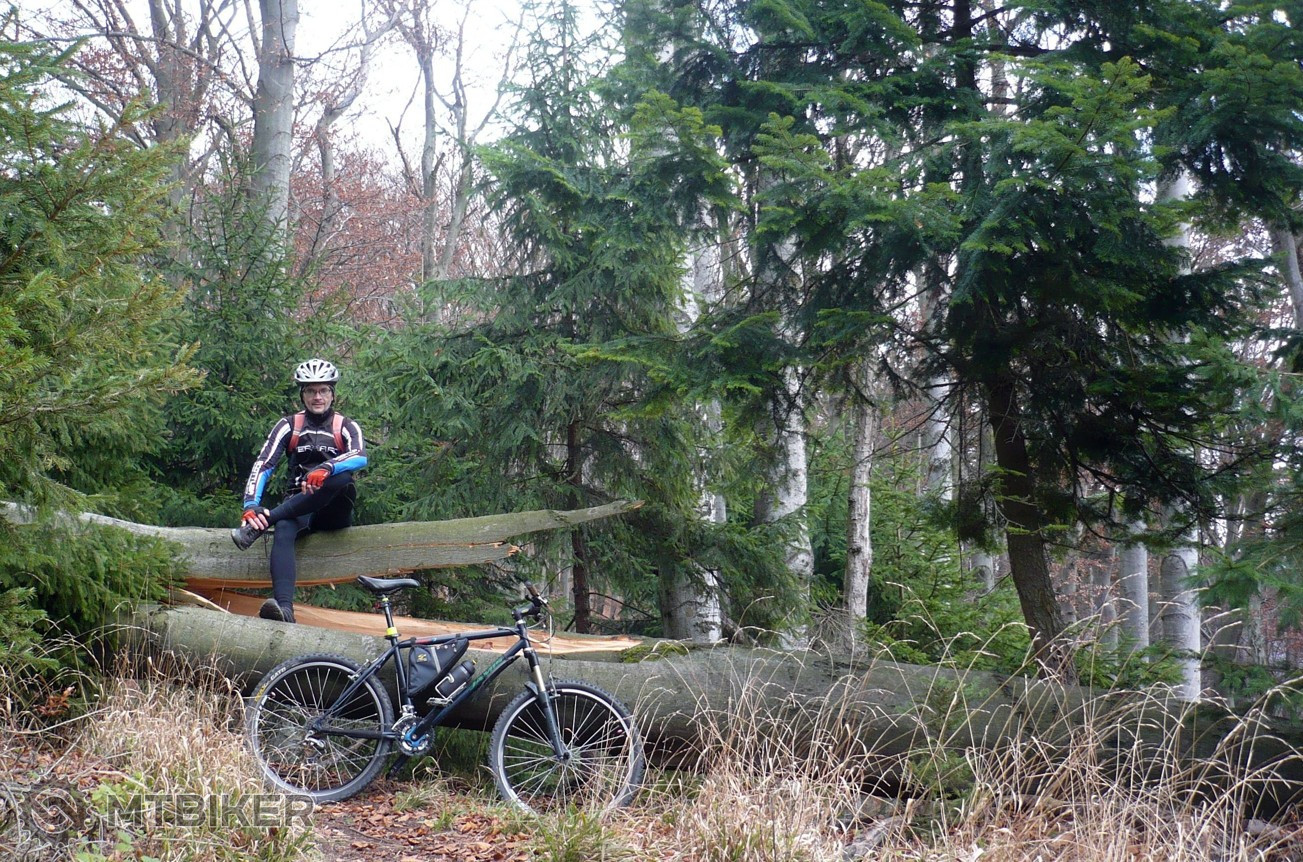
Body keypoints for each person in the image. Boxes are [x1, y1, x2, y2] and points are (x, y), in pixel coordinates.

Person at [231, 358, 368, 623]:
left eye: (323, 390)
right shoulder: (289, 425)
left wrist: (327, 467)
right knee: (283, 528)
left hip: (334, 510)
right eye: (311, 391)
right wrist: (250, 505)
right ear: (302, 395)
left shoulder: (346, 425)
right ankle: (285, 611)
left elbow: (360, 456)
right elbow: (264, 464)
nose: (317, 397)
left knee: (343, 479)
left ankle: (266, 521)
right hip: (299, 504)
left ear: (332, 394)